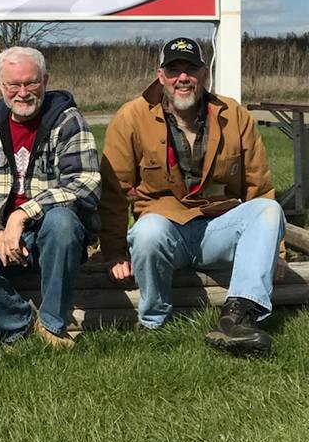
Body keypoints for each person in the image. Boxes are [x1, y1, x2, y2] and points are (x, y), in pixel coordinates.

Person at [100, 36, 285, 354]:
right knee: (147, 231)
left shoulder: (233, 115)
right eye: (174, 70)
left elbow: (259, 186)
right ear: (161, 76)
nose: (182, 77)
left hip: (218, 228)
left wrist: (277, 252)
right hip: (165, 232)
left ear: (205, 74)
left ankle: (237, 316)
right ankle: (154, 322)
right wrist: (115, 252)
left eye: (191, 69)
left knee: (268, 210)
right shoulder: (132, 117)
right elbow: (113, 191)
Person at [0, 46, 101, 347]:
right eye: (13, 85)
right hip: (1, 233)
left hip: (49, 236)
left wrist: (23, 213)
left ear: (45, 80)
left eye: (31, 83)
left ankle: (54, 324)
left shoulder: (67, 121)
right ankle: (23, 325)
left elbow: (85, 182)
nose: (23, 92)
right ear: (0, 85)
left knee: (63, 223)